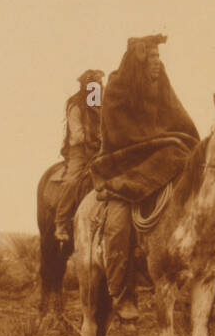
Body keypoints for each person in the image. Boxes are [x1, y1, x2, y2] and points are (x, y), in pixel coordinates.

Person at [90, 35, 199, 321]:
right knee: (118, 224)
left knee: (200, 203)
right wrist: (159, 140)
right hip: (124, 162)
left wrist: (190, 143)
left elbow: (178, 117)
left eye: (159, 60)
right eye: (152, 60)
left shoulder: (161, 83)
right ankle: (123, 292)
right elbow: (118, 133)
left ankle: (214, 286)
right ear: (138, 62)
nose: (158, 65)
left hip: (161, 156)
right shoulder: (116, 87)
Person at [54, 69, 105, 245]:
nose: (97, 90)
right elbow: (76, 135)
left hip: (100, 150)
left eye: (99, 86)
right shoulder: (75, 106)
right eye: (93, 86)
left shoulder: (104, 106)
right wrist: (94, 141)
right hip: (80, 152)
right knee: (72, 181)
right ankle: (61, 223)